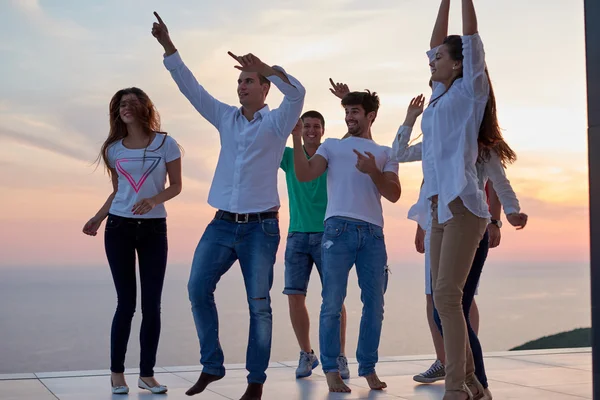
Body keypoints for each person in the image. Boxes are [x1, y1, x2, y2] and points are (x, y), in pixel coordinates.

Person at [151, 11, 305, 400]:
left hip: (260, 228)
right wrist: (170, 47)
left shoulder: (278, 122)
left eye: (248, 81)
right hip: (220, 224)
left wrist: (268, 67)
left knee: (259, 305)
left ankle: (256, 381)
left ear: (265, 89)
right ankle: (212, 366)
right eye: (239, 81)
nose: (241, 86)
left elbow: (298, 94)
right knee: (197, 288)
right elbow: (192, 88)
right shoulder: (225, 118)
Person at [410, 1, 528, 398]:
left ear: (459, 64)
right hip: (438, 207)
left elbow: (472, 38)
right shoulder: (440, 96)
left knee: (446, 295)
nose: (432, 59)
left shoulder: (471, 89)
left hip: (464, 207)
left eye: (440, 57)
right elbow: (433, 41)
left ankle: (457, 386)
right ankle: (474, 383)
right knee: (444, 299)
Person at [293, 88, 400, 393]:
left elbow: (393, 193)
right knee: (332, 303)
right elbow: (305, 174)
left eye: (355, 111)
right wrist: (296, 138)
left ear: (370, 116)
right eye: (347, 111)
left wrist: (373, 172)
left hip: (373, 235)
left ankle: (367, 367)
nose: (350, 116)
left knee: (375, 305)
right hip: (337, 230)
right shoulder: (331, 147)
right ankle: (330, 370)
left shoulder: (384, 152)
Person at [83, 87, 182, 395]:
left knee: (152, 305)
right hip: (119, 228)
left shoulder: (167, 143)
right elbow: (118, 191)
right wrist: (98, 217)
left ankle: (147, 375)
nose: (125, 108)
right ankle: (117, 375)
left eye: (130, 102)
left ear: (144, 106)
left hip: (154, 229)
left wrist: (153, 200)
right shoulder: (113, 149)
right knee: (125, 304)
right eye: (120, 104)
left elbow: (176, 186)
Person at [280, 111, 349, 379]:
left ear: (323, 130)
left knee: (334, 298)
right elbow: (264, 143)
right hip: (296, 234)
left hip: (327, 233)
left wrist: (344, 102)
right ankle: (307, 354)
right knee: (295, 296)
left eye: (316, 126)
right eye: (306, 126)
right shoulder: (288, 155)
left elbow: (353, 140)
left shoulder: (329, 154)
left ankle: (339, 356)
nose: (311, 130)